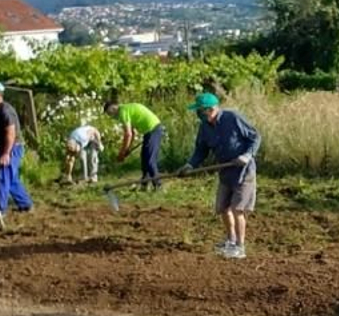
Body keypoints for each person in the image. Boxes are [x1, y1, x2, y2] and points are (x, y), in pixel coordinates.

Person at [181, 92, 261, 259]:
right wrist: (190, 165)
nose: (199, 114)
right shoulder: (204, 127)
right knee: (223, 207)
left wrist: (247, 155)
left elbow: (255, 137)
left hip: (243, 171)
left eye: (200, 111)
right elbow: (200, 150)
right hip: (225, 172)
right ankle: (231, 241)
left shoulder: (233, 118)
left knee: (238, 209)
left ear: (210, 109)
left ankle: (240, 247)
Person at [0, 82, 33, 214]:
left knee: (3, 178)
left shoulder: (5, 110)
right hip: (2, 147)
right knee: (11, 179)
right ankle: (25, 203)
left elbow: (11, 133)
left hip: (12, 148)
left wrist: (6, 153)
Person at [106, 100, 165, 188]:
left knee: (150, 161)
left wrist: (122, 152)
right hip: (149, 131)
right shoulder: (126, 109)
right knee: (144, 159)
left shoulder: (122, 111)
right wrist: (127, 149)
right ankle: (144, 185)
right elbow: (132, 133)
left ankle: (158, 186)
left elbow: (128, 134)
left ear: (114, 108)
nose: (111, 116)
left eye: (110, 113)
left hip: (153, 129)